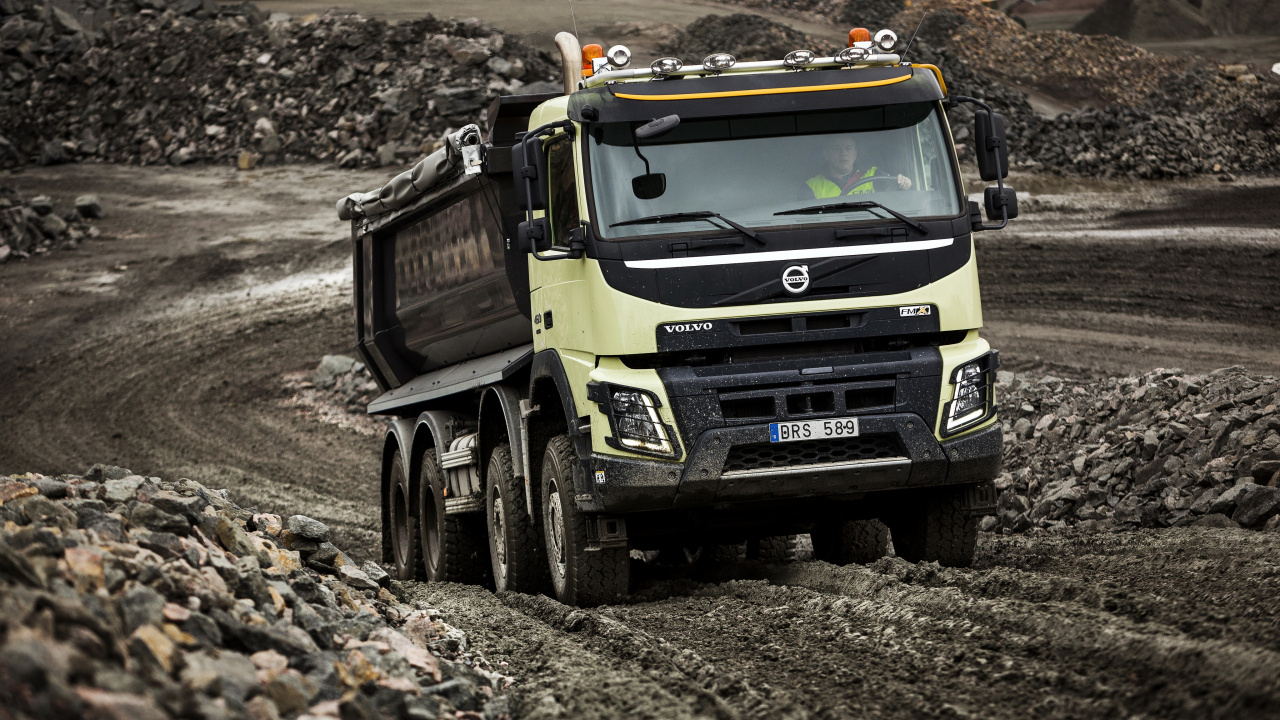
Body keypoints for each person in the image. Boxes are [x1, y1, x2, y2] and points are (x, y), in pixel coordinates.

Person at [805, 135, 912, 199]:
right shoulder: (811, 187)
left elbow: (896, 197)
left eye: (848, 148)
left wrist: (903, 184)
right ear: (826, 154)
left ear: (855, 154)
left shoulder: (874, 175)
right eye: (836, 148)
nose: (843, 153)